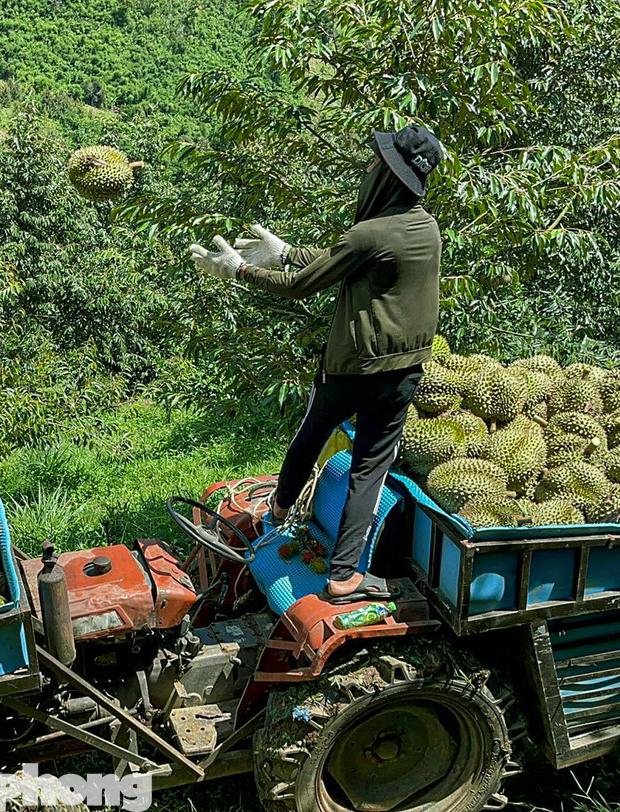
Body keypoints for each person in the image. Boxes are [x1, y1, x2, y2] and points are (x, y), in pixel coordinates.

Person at [190, 123, 445, 604]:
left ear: (387, 177)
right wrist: (284, 251)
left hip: (350, 369)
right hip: (405, 370)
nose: (369, 169)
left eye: (375, 164)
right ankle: (346, 574)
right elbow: (336, 259)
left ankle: (277, 511)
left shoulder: (370, 232)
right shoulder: (424, 227)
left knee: (311, 434)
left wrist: (239, 270)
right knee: (370, 468)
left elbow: (302, 285)